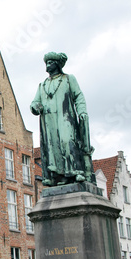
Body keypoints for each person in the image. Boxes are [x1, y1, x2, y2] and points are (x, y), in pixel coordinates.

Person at [30, 52, 95, 186]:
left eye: (51, 62)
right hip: (49, 120)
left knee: (67, 141)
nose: (48, 65)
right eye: (46, 63)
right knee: (53, 147)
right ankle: (62, 176)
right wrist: (36, 107)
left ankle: (77, 171)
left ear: (58, 64)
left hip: (65, 116)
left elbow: (78, 96)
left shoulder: (68, 79)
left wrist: (82, 111)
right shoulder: (42, 85)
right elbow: (34, 102)